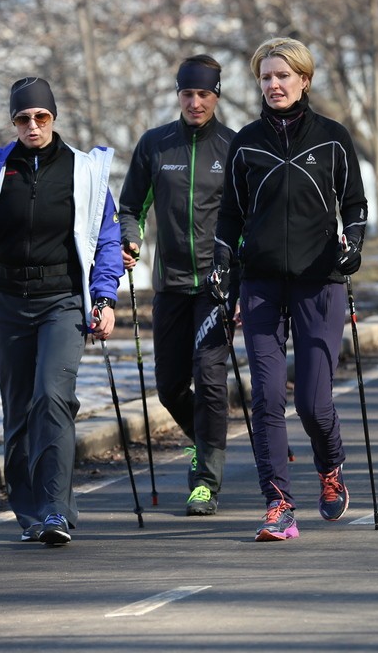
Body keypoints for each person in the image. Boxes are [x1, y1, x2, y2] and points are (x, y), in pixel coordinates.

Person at [0, 77, 123, 545]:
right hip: (6, 301)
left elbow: (105, 240)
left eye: (41, 117)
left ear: (53, 117)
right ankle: (29, 512)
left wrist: (104, 297)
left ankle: (55, 510)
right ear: (13, 122)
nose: (33, 126)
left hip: (62, 300)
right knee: (21, 409)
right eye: (23, 119)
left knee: (52, 396)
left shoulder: (83, 171)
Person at [209, 37, 368, 541]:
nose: (273, 85)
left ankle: (330, 470)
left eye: (283, 76)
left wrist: (353, 248)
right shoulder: (246, 142)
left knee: (314, 403)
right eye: (265, 77)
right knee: (267, 397)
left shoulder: (333, 138)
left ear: (304, 80)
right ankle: (279, 502)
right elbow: (231, 215)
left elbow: (357, 206)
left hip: (319, 281)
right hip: (259, 282)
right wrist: (222, 263)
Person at [118, 54, 237, 517]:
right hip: (168, 284)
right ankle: (205, 444)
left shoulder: (232, 146)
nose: (194, 102)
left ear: (216, 95)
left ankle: (205, 480)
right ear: (178, 95)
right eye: (187, 94)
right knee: (169, 388)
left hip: (215, 285)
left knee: (209, 380)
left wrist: (237, 278)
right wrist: (131, 238)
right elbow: (130, 207)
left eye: (203, 94)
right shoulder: (155, 145)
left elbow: (245, 220)